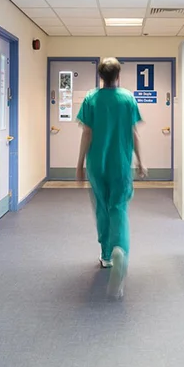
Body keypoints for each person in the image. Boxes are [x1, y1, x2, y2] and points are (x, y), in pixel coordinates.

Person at [75, 57, 146, 299]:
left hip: (97, 163)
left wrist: (79, 164)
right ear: (118, 76)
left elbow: (87, 133)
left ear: (100, 76)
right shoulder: (127, 98)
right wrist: (141, 161)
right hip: (121, 163)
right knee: (119, 208)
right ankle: (120, 251)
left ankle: (106, 255)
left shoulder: (91, 98)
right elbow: (133, 133)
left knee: (102, 209)